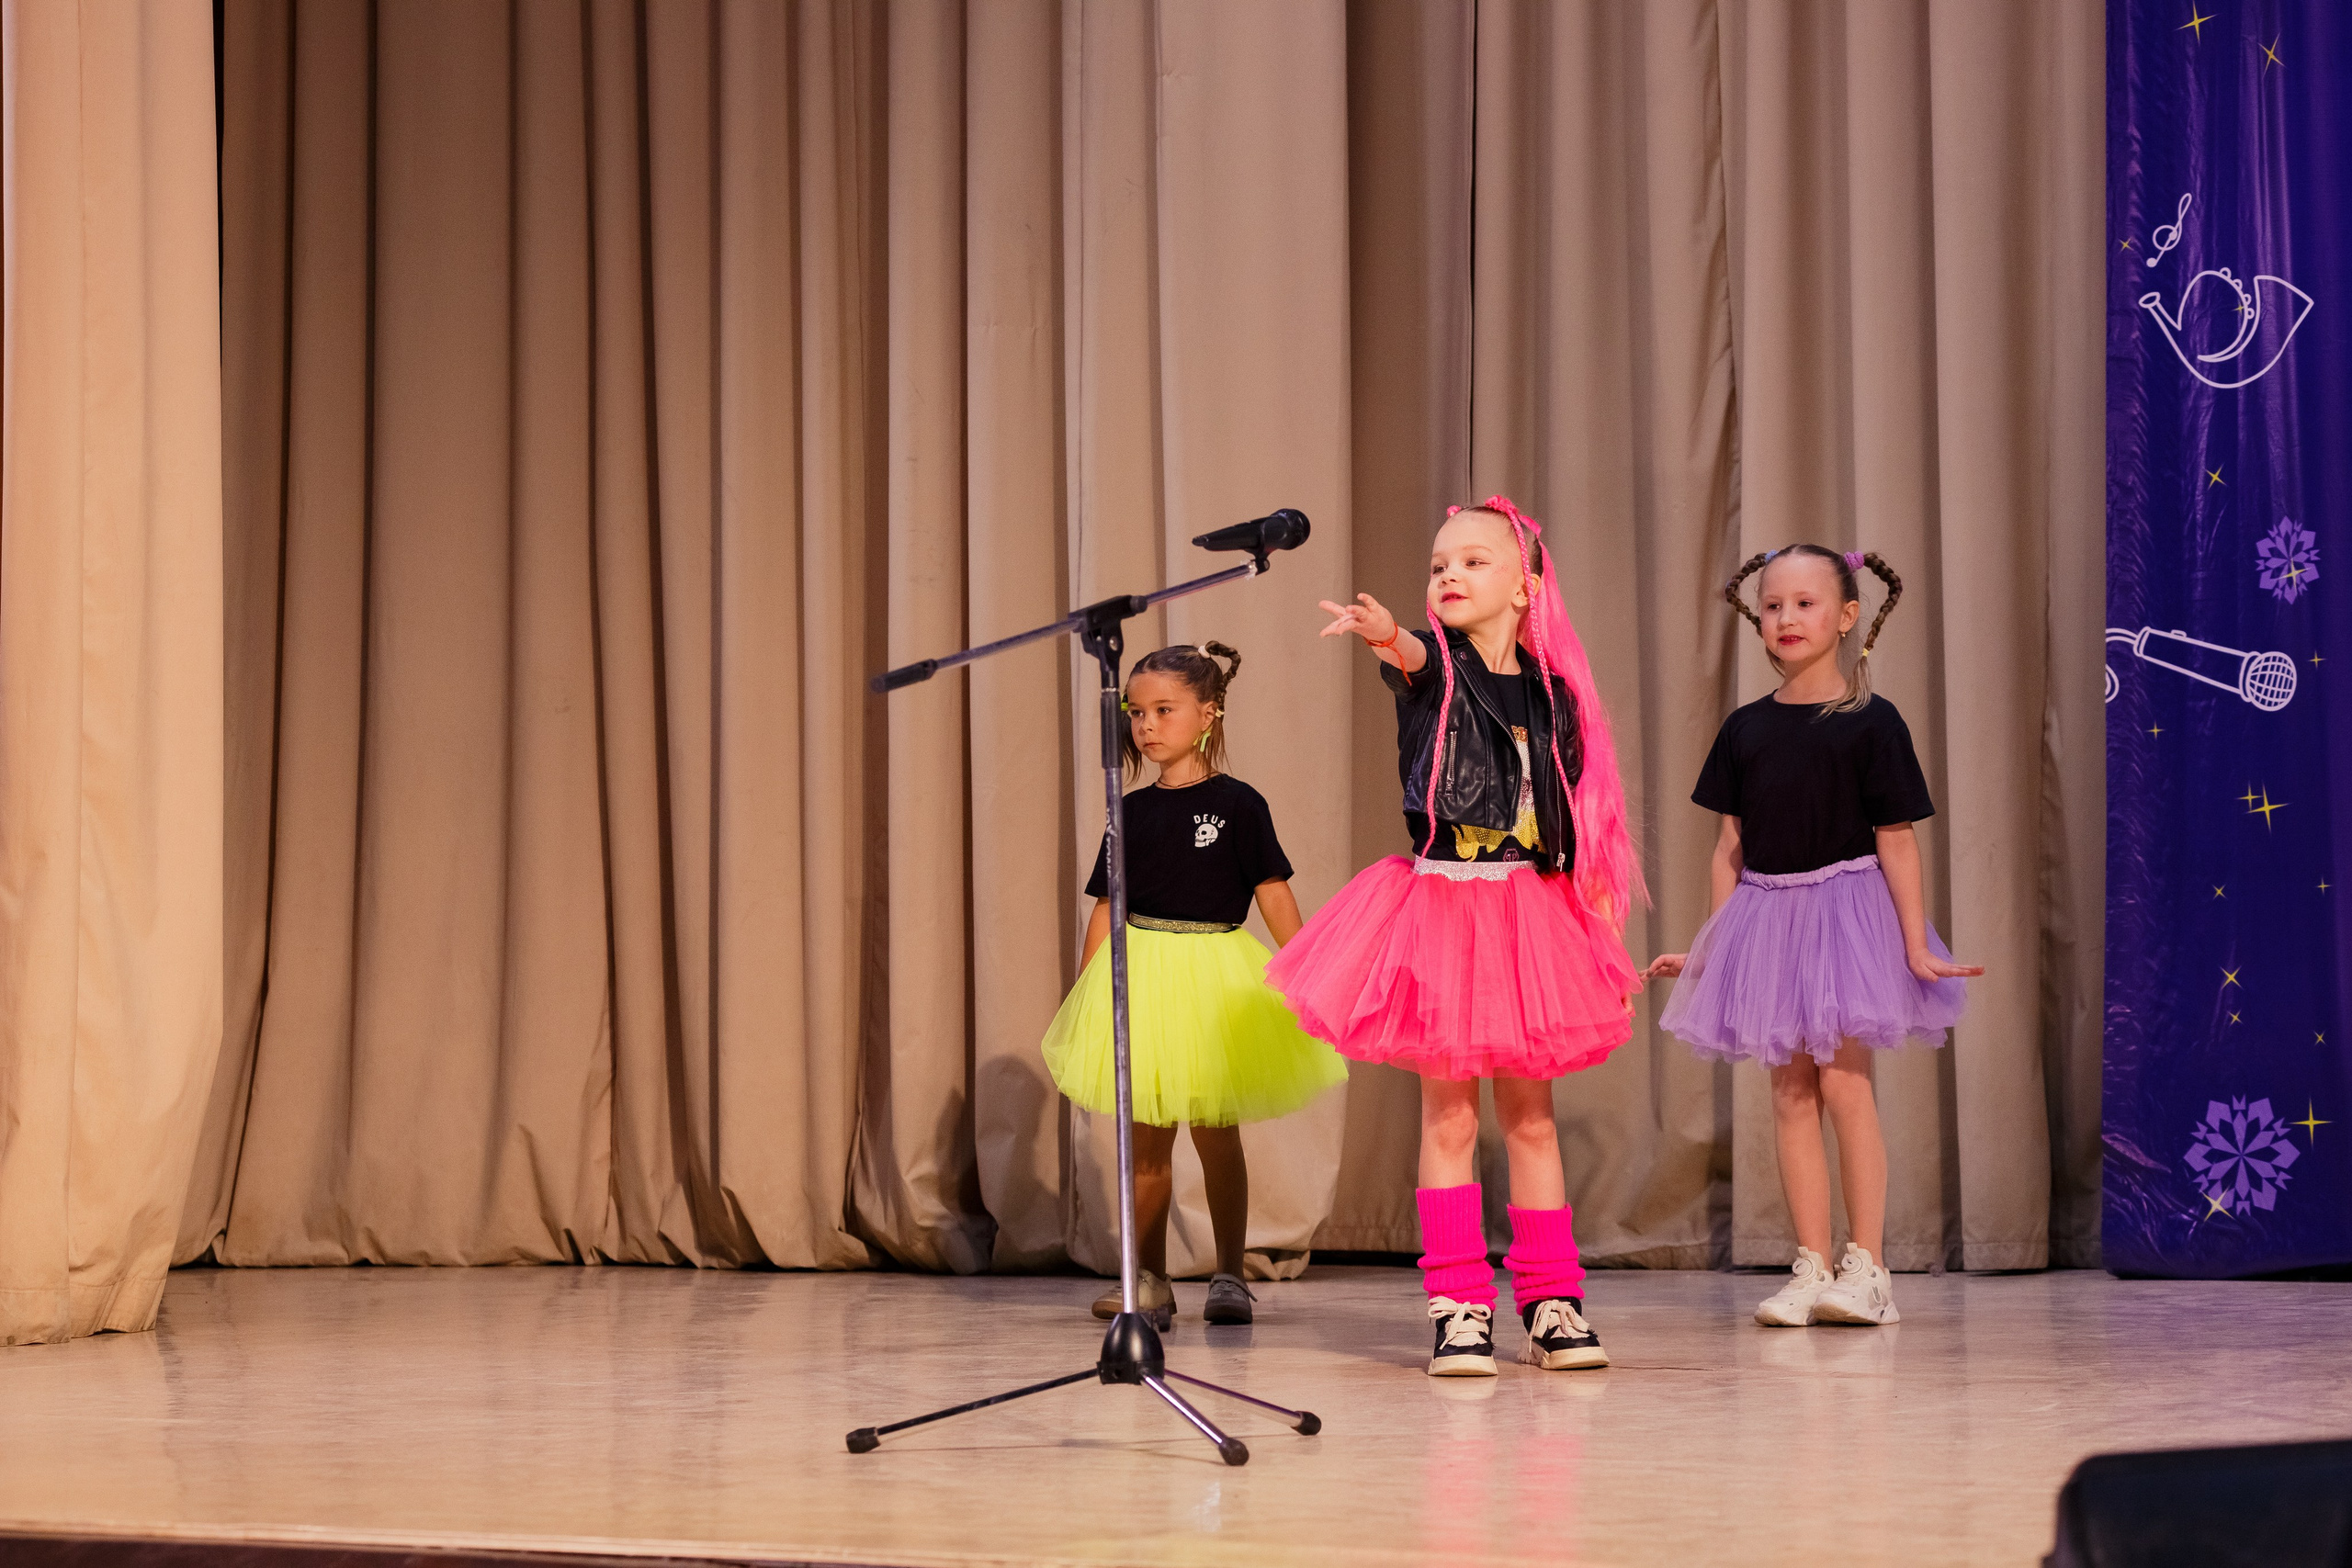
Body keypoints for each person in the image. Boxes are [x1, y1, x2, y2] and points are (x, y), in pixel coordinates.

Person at [1268, 498, 1643, 1378]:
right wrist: (1384, 632)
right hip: (1442, 907)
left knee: (1531, 1120)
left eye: (1474, 562)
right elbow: (1408, 650)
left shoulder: (1558, 699)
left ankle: (1551, 1299)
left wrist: (1604, 943)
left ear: (1525, 584)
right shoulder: (1431, 665)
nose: (1450, 576)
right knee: (1446, 1116)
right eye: (1440, 565)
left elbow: (1583, 829)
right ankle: (1458, 1304)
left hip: (1530, 914)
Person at [1645, 546, 1983, 1328]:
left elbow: (1896, 838)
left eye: (1804, 603)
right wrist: (1714, 944)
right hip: (1768, 917)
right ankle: (1812, 1260)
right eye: (1773, 605)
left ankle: (1869, 1266)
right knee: (1790, 1090)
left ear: (1847, 616)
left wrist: (1914, 943)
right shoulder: (1746, 728)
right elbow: (1730, 844)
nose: (1786, 618)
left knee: (1843, 1082)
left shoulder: (1872, 721)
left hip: (1846, 912)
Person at [1039, 641, 1346, 1330]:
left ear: (1207, 714)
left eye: (1163, 710)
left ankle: (1230, 1274)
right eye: (1136, 712)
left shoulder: (1239, 805)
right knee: (1146, 1143)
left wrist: (1306, 968)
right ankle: (1145, 1279)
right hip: (1144, 978)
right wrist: (1091, 990)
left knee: (1215, 1133)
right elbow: (1106, 904)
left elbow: (1272, 891)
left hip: (1214, 979)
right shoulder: (1131, 810)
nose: (1145, 725)